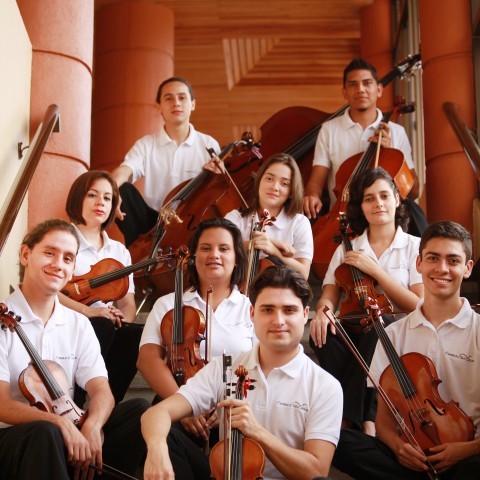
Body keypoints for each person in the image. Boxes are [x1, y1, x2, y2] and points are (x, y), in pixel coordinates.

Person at [141, 265, 343, 480]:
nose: (278, 320)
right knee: (168, 436)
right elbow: (157, 414)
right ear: (252, 314)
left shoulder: (324, 386)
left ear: (305, 315)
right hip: (229, 475)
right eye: (267, 309)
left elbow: (317, 471)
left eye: (289, 310)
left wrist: (257, 432)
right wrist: (157, 449)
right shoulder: (226, 367)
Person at [0, 219, 148, 480]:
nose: (59, 264)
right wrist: (56, 422)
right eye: (49, 253)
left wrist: (92, 425)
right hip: (13, 439)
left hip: (67, 432)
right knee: (45, 433)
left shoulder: (78, 323)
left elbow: (102, 390)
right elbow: (1, 404)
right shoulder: (3, 318)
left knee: (138, 412)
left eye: (68, 258)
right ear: (25, 254)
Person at [333, 220, 480, 480]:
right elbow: (384, 419)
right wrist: (399, 447)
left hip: (467, 456)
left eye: (453, 260)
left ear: (467, 268)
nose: (442, 268)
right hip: (413, 454)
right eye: (433, 258)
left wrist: (465, 450)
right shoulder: (393, 334)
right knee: (340, 441)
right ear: (419, 263)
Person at [309, 168, 424, 435]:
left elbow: (417, 304)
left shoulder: (414, 247)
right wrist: (322, 313)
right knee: (319, 334)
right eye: (369, 198)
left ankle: (350, 418)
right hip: (354, 329)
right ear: (361, 206)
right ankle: (367, 415)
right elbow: (329, 295)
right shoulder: (347, 248)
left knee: (378, 322)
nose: (378, 203)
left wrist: (377, 272)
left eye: (384, 196)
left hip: (396, 332)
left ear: (397, 199)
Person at [137, 217, 255, 440]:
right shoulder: (167, 304)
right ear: (193, 257)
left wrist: (230, 408)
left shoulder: (252, 310)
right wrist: (183, 404)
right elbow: (147, 359)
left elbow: (263, 366)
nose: (214, 255)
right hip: (176, 402)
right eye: (206, 248)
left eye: (224, 248)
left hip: (235, 408)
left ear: (237, 258)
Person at [303, 57, 421, 226]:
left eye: (367, 83)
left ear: (379, 89)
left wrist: (390, 153)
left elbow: (414, 191)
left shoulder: (396, 132)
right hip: (342, 219)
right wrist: (312, 195)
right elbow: (316, 181)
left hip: (386, 221)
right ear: (344, 92)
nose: (361, 89)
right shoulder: (329, 130)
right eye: (353, 84)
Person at [59, 170, 143, 405]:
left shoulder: (119, 251)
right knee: (101, 325)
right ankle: (76, 399)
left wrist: (121, 319)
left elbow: (127, 302)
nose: (100, 203)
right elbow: (50, 291)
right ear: (78, 199)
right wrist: (90, 312)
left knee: (134, 334)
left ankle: (108, 405)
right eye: (92, 195)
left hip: (103, 323)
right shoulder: (62, 238)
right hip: (69, 321)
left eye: (107, 198)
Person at [111, 76, 221, 247]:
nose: (176, 103)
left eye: (182, 97)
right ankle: (139, 252)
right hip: (153, 224)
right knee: (122, 190)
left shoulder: (208, 144)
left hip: (193, 222)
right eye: (168, 98)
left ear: (193, 104)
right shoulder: (146, 144)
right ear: (159, 107)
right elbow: (125, 170)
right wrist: (110, 190)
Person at [225, 152, 313, 280]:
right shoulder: (236, 218)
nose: (274, 187)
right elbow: (218, 245)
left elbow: (303, 273)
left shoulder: (299, 222)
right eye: (269, 179)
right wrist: (261, 243)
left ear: (291, 191)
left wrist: (275, 251)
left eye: (284, 183)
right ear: (259, 180)